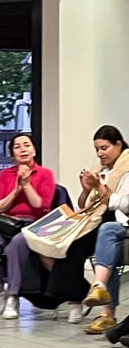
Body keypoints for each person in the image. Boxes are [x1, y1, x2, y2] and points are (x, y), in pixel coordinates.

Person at [0, 133, 55, 320]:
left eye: (26, 145)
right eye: (17, 147)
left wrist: (26, 185)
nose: (23, 149)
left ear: (34, 150)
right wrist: (16, 190)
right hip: (7, 224)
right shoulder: (6, 174)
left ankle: (13, 295)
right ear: (12, 154)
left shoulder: (45, 174)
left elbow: (42, 207)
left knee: (17, 244)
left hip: (33, 225)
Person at [62, 125, 129, 334]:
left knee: (107, 231)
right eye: (97, 149)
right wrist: (86, 189)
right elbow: (84, 206)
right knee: (74, 245)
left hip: (121, 221)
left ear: (119, 145)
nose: (100, 154)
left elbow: (125, 205)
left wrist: (100, 188)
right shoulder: (100, 170)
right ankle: (93, 303)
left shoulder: (126, 168)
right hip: (97, 223)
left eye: (104, 148)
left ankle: (99, 291)